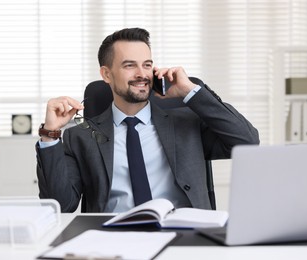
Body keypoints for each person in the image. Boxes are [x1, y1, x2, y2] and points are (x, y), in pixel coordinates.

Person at [36, 27, 259, 213]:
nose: (142, 74)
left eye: (147, 64)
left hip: (183, 237)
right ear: (106, 74)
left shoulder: (187, 123)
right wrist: (50, 136)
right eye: (129, 65)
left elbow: (247, 141)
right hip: (113, 239)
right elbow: (62, 206)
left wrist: (191, 91)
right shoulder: (81, 136)